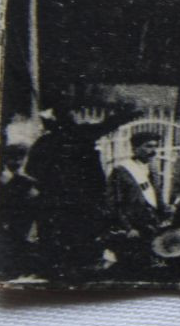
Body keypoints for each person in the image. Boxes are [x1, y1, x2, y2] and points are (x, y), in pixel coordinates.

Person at [27, 100, 139, 282]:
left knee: (56, 236)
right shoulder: (81, 135)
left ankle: (56, 270)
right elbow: (106, 126)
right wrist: (127, 114)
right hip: (81, 199)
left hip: (55, 200)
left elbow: (33, 172)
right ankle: (78, 269)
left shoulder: (44, 142)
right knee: (79, 235)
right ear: (70, 118)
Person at [105, 129, 171, 278]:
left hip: (151, 225)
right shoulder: (122, 171)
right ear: (135, 149)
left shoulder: (152, 169)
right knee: (133, 270)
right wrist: (127, 227)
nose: (152, 151)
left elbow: (156, 196)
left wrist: (164, 211)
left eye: (155, 146)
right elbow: (114, 203)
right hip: (134, 228)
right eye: (148, 146)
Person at [0, 143, 40, 280]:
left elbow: (34, 197)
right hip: (8, 217)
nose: (18, 162)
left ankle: (18, 269)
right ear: (6, 159)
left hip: (24, 217)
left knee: (21, 241)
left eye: (21, 158)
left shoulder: (26, 180)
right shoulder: (2, 179)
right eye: (14, 158)